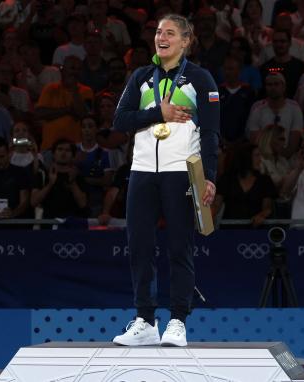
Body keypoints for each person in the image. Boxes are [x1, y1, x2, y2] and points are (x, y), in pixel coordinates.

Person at [111, 14, 219, 347]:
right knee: (139, 247)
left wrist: (209, 178)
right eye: (158, 32)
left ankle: (177, 320)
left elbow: (212, 133)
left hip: (181, 173)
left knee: (178, 247)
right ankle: (145, 320)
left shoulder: (200, 79)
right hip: (142, 171)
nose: (162, 37)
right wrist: (159, 113)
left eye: (170, 33)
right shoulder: (141, 77)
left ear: (186, 40)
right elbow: (120, 121)